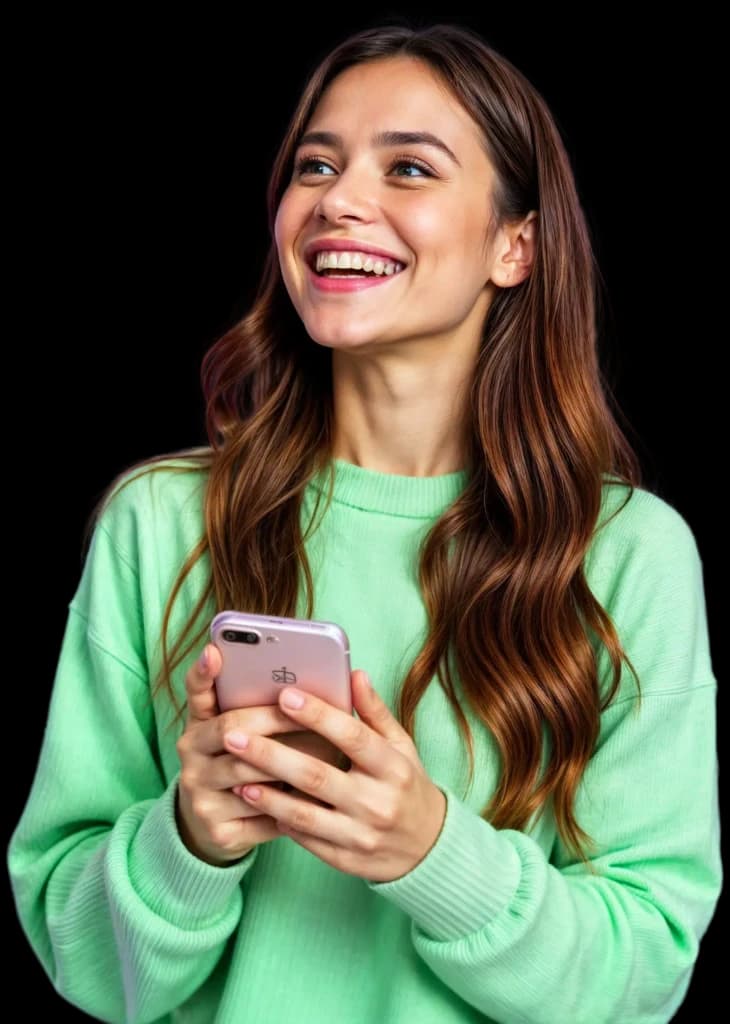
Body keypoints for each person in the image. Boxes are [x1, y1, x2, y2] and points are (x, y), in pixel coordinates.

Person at [7, 19, 721, 1024]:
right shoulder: (161, 522)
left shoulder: (629, 555)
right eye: (316, 164)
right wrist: (190, 837)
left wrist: (430, 851)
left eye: (410, 169)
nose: (338, 200)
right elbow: (84, 963)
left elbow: (640, 975)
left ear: (513, 244)